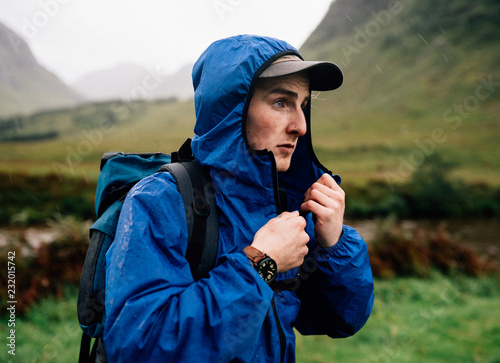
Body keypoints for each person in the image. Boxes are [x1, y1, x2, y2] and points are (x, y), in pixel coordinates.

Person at [104, 34, 374, 362]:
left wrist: (335, 244)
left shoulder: (285, 205)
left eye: (303, 105)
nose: (300, 126)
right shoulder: (158, 202)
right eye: (281, 102)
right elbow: (141, 348)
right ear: (233, 109)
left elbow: (339, 320)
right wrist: (261, 263)